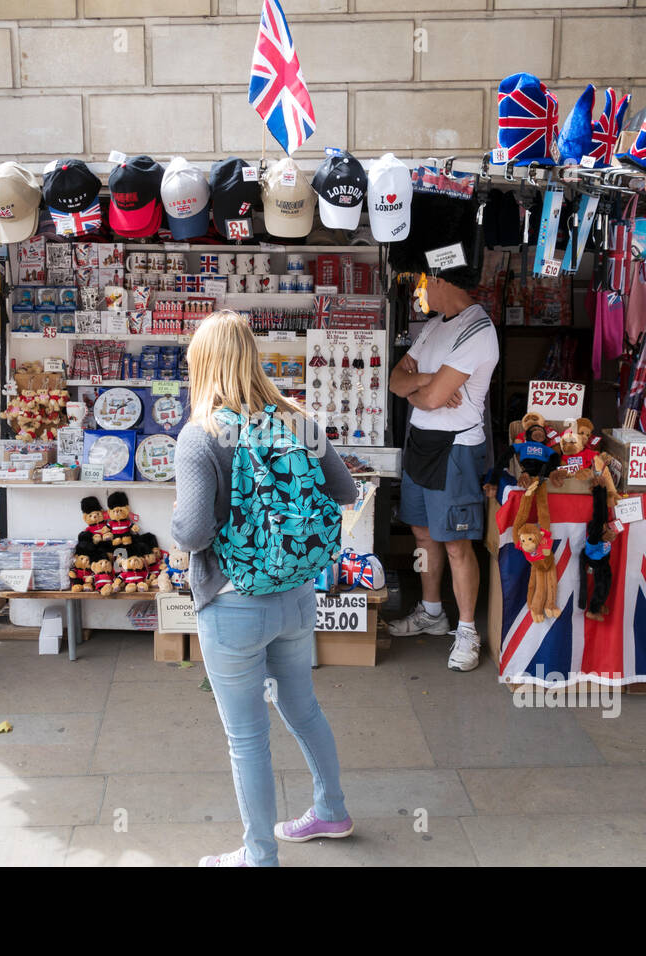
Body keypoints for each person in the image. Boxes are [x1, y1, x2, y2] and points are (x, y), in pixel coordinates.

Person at [172, 310, 359, 867]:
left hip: (233, 606)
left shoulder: (200, 435)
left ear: (202, 365)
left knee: (247, 737)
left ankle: (259, 855)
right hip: (298, 596)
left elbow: (195, 531)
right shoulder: (297, 419)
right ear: (252, 357)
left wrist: (179, 517)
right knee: (302, 707)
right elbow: (345, 491)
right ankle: (331, 809)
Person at [387, 274, 500, 672]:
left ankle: (467, 630)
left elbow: (433, 398)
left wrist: (422, 390)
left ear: (440, 280)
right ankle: (432, 612)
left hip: (456, 447)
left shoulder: (478, 329)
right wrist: (422, 381)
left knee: (455, 542)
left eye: (421, 283)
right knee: (422, 532)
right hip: (420, 440)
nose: (418, 293)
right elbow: (395, 380)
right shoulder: (434, 326)